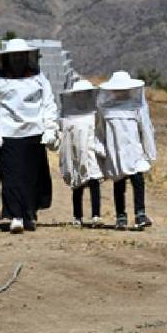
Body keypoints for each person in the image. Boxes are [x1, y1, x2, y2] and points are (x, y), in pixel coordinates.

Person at [0, 38, 59, 234]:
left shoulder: (39, 78)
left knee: (32, 178)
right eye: (14, 56)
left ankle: (29, 214)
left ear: (27, 57)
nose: (17, 60)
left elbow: (48, 103)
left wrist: (50, 128)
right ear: (7, 58)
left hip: (34, 133)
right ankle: (15, 216)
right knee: (11, 177)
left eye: (21, 56)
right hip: (8, 135)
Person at [97, 71, 156, 229]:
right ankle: (125, 216)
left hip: (129, 151)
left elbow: (145, 129)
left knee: (132, 182)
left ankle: (135, 215)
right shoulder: (106, 108)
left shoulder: (136, 106)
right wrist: (101, 150)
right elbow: (100, 131)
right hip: (121, 152)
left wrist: (149, 151)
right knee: (125, 183)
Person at [57, 80, 106, 226]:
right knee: (77, 184)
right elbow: (65, 137)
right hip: (76, 155)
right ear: (74, 95)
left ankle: (96, 215)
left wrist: (100, 149)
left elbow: (100, 132)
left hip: (91, 153)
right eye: (79, 94)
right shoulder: (68, 115)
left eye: (85, 93)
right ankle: (77, 216)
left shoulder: (95, 114)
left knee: (94, 182)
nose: (82, 96)